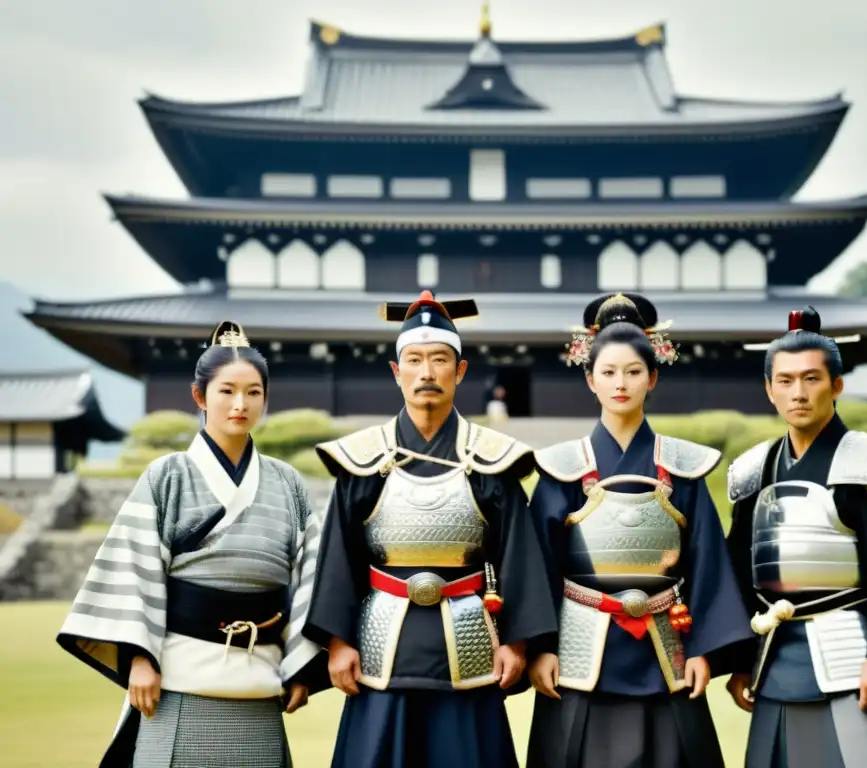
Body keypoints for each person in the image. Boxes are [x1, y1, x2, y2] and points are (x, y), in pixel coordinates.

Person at [303, 290, 558, 768]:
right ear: (396, 372)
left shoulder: (491, 461)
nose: (427, 372)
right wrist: (338, 644)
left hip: (470, 645)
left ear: (459, 371)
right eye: (414, 360)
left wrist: (517, 642)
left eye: (440, 360)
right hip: (381, 649)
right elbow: (339, 560)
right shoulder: (362, 461)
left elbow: (518, 559)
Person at [57, 321, 329, 768]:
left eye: (253, 392)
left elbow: (310, 576)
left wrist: (302, 665)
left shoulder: (287, 483)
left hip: (260, 684)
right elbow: (134, 566)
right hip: (177, 682)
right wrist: (138, 660)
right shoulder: (168, 475)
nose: (240, 404)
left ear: (265, 397)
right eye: (226, 391)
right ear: (200, 396)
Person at [525, 292, 755, 768]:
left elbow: (708, 564)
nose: (620, 383)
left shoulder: (684, 468)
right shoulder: (563, 468)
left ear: (652, 377)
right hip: (578, 645)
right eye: (608, 372)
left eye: (633, 372)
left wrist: (704, 650)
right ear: (590, 379)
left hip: (667, 644)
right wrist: (540, 649)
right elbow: (536, 568)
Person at [724, 306, 867, 768]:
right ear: (769, 390)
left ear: (837, 385)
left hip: (854, 653)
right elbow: (738, 568)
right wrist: (739, 657)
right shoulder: (754, 471)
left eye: (812, 379)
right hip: (774, 658)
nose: (798, 393)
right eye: (785, 381)